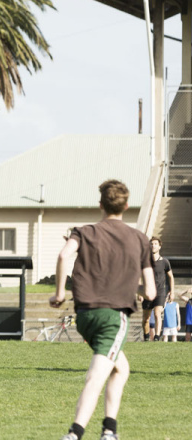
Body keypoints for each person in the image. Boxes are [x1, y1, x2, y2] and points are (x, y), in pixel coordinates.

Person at [53, 179, 155, 440]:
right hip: (113, 317)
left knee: (121, 368)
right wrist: (138, 290)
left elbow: (64, 255)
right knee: (97, 376)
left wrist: (60, 293)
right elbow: (151, 292)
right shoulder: (140, 239)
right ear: (127, 206)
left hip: (85, 315)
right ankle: (74, 433)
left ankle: (109, 429)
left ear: (100, 204)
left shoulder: (84, 231)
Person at [140, 236, 174, 341]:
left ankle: (157, 337)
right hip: (147, 292)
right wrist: (139, 293)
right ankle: (146, 337)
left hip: (160, 292)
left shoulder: (165, 262)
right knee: (146, 319)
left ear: (159, 247)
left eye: (155, 244)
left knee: (157, 313)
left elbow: (171, 277)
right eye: (151, 244)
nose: (153, 245)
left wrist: (172, 292)